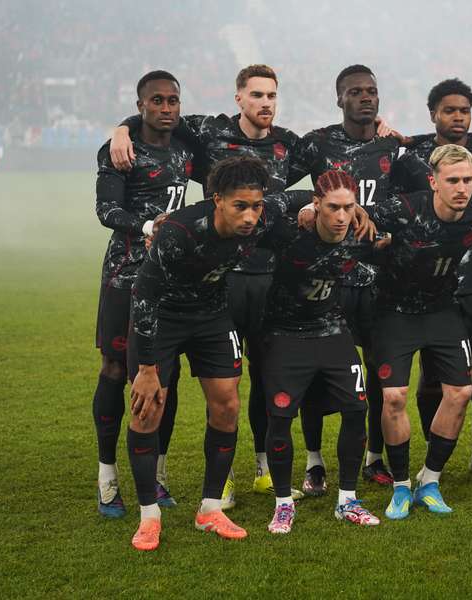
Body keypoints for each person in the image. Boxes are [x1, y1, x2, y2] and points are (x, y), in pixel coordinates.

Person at [109, 64, 304, 506]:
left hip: (266, 275)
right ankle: (175, 476)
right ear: (239, 98)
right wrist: (121, 129)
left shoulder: (291, 144)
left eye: (271, 95)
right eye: (256, 95)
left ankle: (262, 468)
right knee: (180, 379)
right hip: (217, 279)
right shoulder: (209, 132)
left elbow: (334, 172)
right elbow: (157, 116)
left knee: (262, 374)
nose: (265, 103)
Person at [125, 156, 308, 551]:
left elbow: (300, 196)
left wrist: (333, 205)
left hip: (211, 317)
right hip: (163, 318)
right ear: (217, 199)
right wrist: (146, 367)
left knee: (227, 405)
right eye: (240, 206)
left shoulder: (261, 214)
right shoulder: (179, 231)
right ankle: (148, 516)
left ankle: (209, 510)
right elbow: (143, 297)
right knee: (148, 409)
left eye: (256, 206)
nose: (250, 216)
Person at [367, 144, 472, 519]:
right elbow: (356, 214)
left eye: (468, 180)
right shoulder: (404, 208)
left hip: (441, 310)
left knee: (461, 392)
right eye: (452, 180)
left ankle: (430, 480)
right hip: (395, 312)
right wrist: (308, 208)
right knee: (393, 397)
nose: (462, 188)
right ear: (433, 182)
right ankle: (402, 487)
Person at [288, 65, 402, 492]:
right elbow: (276, 186)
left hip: (377, 280)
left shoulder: (394, 146)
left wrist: (379, 219)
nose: (366, 97)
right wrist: (308, 206)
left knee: (377, 371)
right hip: (327, 281)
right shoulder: (317, 143)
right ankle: (315, 462)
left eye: (372, 90)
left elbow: (418, 195)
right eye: (355, 92)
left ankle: (374, 457)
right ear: (340, 99)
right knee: (318, 372)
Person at [257, 171, 383, 534]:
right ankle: (283, 504)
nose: (341, 216)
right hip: (285, 334)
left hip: (332, 330)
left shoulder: (361, 233)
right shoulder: (287, 235)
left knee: (357, 409)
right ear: (317, 204)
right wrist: (302, 204)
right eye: (332, 207)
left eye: (348, 207)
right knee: (280, 417)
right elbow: (263, 206)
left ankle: (347, 499)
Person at [391, 78, 472, 479]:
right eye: (449, 110)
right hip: (431, 282)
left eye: (464, 110)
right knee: (431, 373)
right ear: (433, 114)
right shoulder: (411, 154)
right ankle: (431, 452)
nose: (458, 117)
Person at [93, 70, 191, 518]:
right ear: (141, 106)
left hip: (171, 279)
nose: (166, 108)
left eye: (173, 100)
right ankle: (107, 475)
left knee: (162, 378)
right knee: (115, 370)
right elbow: (106, 210)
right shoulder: (121, 150)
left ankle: (158, 476)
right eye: (157, 101)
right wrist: (148, 225)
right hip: (124, 276)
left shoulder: (189, 144)